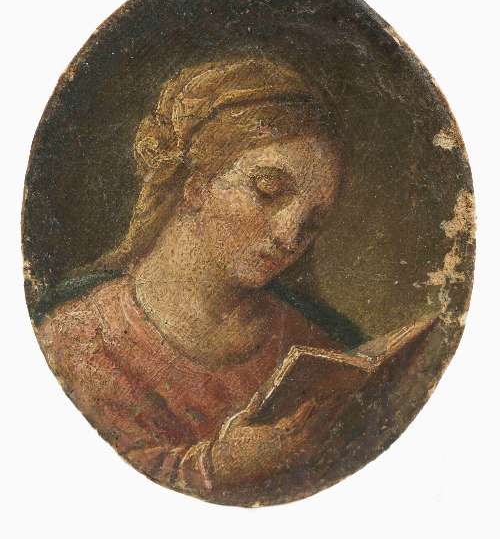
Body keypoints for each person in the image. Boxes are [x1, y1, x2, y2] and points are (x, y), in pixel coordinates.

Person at [36, 55, 366, 500]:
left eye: (313, 221)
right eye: (268, 190)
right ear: (195, 185)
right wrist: (217, 468)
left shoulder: (321, 348)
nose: (291, 236)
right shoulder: (73, 343)